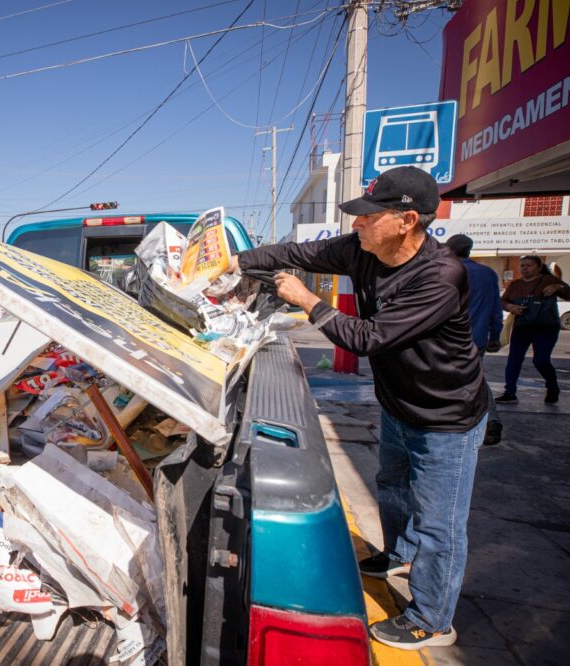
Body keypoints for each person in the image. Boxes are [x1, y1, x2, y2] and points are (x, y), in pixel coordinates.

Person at [229, 166, 487, 650]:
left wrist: (307, 300)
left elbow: (369, 338)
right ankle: (398, 554)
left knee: (439, 520)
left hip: (447, 417)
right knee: (391, 485)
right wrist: (232, 262)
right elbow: (295, 251)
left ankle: (431, 619)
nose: (357, 224)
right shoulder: (361, 250)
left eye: (369, 216)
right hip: (399, 403)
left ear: (406, 220)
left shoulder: (439, 276)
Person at [445, 234, 504, 445]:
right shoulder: (487, 274)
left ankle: (482, 420)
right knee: (474, 379)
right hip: (477, 338)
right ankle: (488, 420)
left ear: (450, 249)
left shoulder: (445, 271)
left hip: (448, 339)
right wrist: (495, 335)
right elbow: (496, 309)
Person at [495, 255, 570, 405]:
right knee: (514, 360)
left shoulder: (549, 280)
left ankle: (552, 387)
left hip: (546, 327)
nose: (525, 268)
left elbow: (568, 294)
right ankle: (510, 392)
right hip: (522, 326)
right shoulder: (516, 285)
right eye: (522, 265)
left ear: (538, 267)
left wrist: (559, 287)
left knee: (541, 360)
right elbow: (503, 301)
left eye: (529, 265)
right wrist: (511, 307)